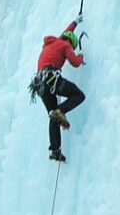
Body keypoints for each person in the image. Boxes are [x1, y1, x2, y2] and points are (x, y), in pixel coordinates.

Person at [31, 21, 85, 162]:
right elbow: (74, 62)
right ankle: (60, 111)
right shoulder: (66, 45)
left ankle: (55, 150)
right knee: (79, 95)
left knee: (53, 117)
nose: (71, 49)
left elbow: (65, 34)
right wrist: (80, 56)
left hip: (40, 85)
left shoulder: (52, 43)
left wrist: (75, 23)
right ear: (70, 43)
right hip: (51, 79)